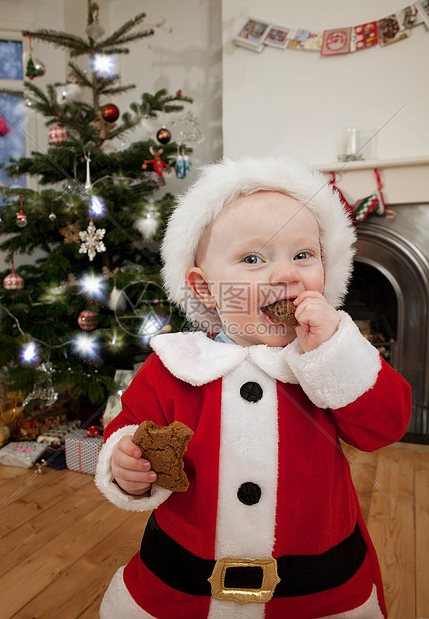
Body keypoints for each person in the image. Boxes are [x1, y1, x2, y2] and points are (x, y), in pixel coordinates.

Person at [95, 156, 411, 619]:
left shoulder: (326, 359)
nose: (286, 274)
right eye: (253, 259)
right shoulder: (175, 366)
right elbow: (128, 430)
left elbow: (384, 426)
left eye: (303, 255)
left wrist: (339, 352)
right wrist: (127, 463)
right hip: (185, 584)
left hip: (314, 587)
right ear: (205, 289)